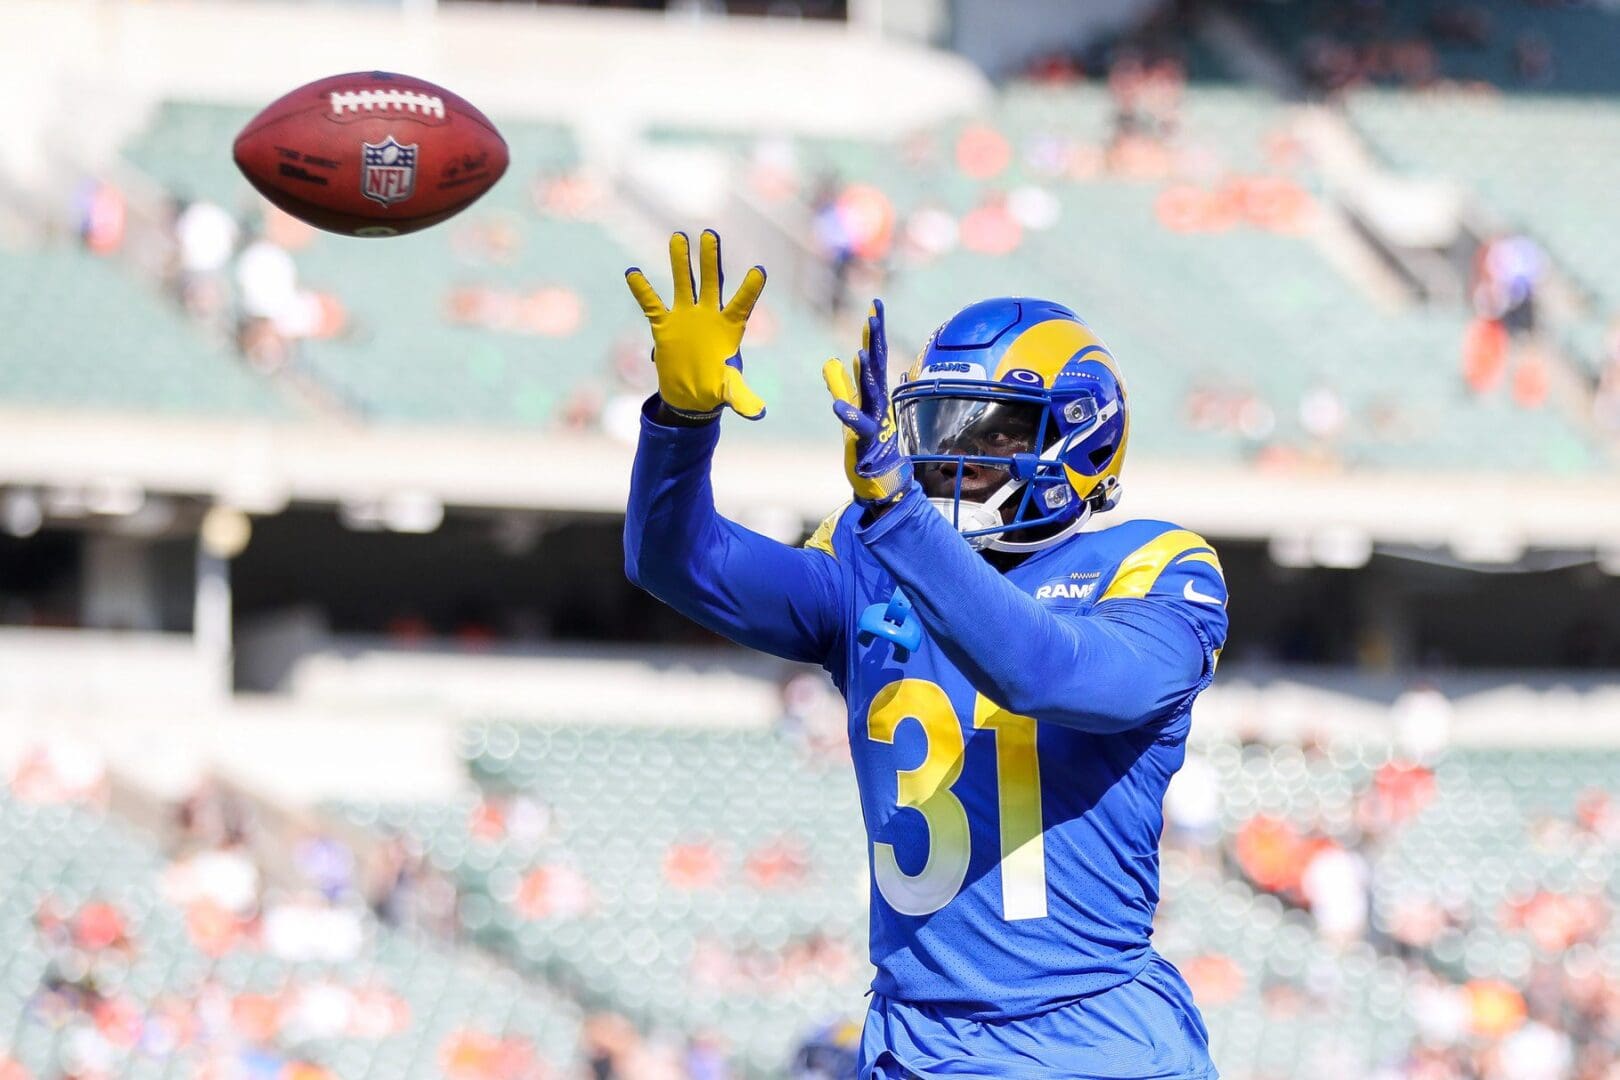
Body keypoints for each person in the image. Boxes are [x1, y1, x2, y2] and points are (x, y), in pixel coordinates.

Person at [623, 230, 1228, 1079]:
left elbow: (1042, 672)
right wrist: (681, 425)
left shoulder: (1154, 566)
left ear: (1083, 439)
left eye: (994, 431)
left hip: (1090, 1040)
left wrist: (901, 518)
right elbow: (677, 563)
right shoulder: (873, 555)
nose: (954, 456)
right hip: (918, 1044)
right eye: (940, 423)